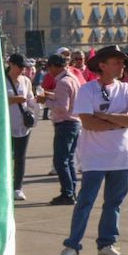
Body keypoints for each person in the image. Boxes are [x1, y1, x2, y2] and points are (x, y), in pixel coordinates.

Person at [53, 46, 128, 255]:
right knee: (85, 202)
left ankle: (106, 245)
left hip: (121, 156)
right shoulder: (88, 90)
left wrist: (106, 116)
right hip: (94, 157)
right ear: (102, 65)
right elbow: (88, 123)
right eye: (117, 62)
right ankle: (72, 246)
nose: (122, 66)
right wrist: (121, 119)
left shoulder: (127, 90)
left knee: (114, 203)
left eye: (122, 63)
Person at [37, 54, 82, 206]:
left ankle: (67, 193)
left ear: (55, 66)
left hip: (65, 123)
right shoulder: (72, 78)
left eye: (49, 68)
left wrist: (46, 100)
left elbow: (62, 108)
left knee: (60, 161)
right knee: (69, 160)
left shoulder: (62, 82)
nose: (49, 71)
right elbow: (66, 98)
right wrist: (51, 95)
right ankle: (71, 191)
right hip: (75, 123)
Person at [5, 54, 37, 201]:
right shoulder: (1, 80)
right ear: (11, 64)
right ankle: (3, 186)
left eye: (24, 67)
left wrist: (38, 102)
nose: (22, 70)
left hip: (22, 125)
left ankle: (17, 187)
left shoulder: (26, 81)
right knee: (5, 157)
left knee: (20, 157)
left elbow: (30, 99)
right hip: (5, 125)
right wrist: (11, 100)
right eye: (19, 66)